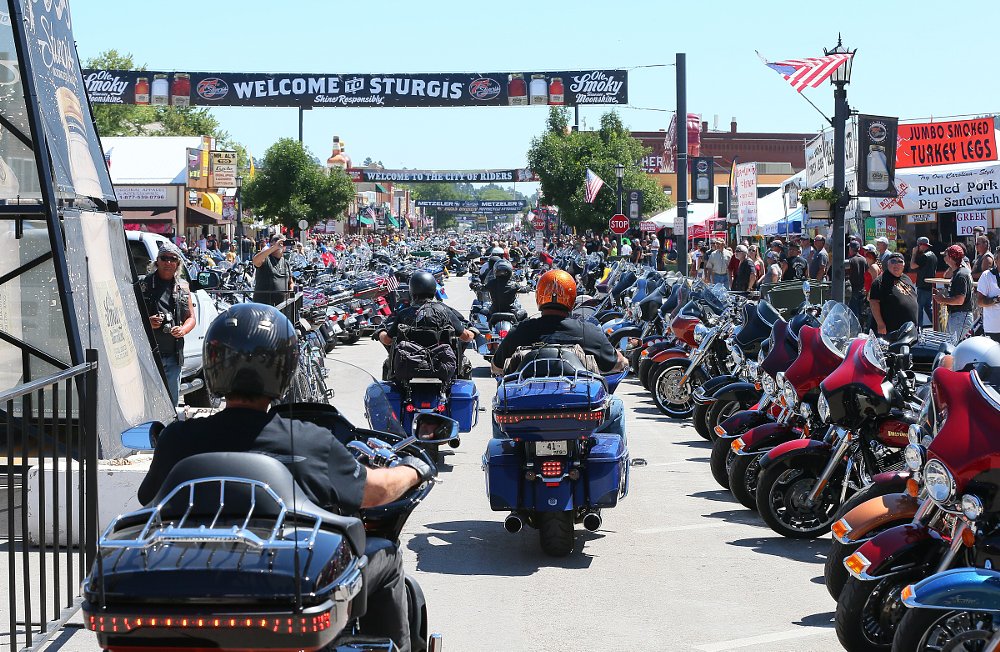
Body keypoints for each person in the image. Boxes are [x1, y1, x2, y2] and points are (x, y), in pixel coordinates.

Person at [137, 304, 430, 652]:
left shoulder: (178, 438)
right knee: (388, 555)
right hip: (289, 585)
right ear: (285, 368)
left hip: (194, 579)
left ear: (214, 364)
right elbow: (376, 491)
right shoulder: (309, 440)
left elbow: (148, 499)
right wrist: (414, 468)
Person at [489, 270, 627, 438]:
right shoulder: (587, 331)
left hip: (525, 414)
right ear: (572, 298)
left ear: (539, 297)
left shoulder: (521, 330)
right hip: (578, 413)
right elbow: (616, 364)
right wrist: (624, 359)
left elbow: (496, 366)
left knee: (499, 407)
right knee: (617, 406)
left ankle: (506, 449)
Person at [139, 243, 196, 406]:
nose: (168, 262)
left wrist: (183, 330)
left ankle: (167, 431)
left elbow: (191, 317)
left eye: (173, 259)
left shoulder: (183, 287)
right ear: (157, 261)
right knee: (148, 404)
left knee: (171, 405)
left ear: (178, 263)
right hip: (148, 355)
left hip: (173, 356)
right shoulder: (143, 284)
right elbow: (130, 315)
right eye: (164, 258)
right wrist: (148, 322)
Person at [869, 252, 918, 336]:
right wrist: (880, 324)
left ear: (903, 264)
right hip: (891, 331)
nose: (896, 264)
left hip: (909, 329)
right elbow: (874, 303)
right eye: (893, 261)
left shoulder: (906, 278)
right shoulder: (879, 281)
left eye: (900, 262)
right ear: (888, 264)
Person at [935, 244, 975, 342]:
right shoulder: (959, 272)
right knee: (952, 346)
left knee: (954, 346)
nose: (944, 258)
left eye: (945, 255)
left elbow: (960, 300)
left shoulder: (961, 274)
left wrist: (942, 300)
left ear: (950, 258)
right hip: (958, 316)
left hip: (960, 316)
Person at [252, 234, 294, 306]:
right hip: (264, 305)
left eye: (283, 244)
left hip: (281, 306)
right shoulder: (266, 259)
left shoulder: (285, 262)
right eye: (278, 243)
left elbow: (290, 282)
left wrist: (291, 290)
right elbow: (255, 261)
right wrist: (274, 247)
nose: (281, 246)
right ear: (271, 244)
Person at [909, 236, 938, 329]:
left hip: (923, 285)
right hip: (930, 285)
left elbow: (912, 266)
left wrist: (914, 254)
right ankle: (938, 325)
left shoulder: (924, 256)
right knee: (928, 308)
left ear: (921, 245)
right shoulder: (933, 255)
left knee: (919, 308)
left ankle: (918, 328)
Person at [977, 261, 1000, 343]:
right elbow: (980, 302)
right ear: (996, 260)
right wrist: (996, 299)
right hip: (993, 328)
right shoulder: (987, 275)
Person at [845, 241, 868, 320]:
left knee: (853, 313)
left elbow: (846, 274)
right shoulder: (864, 260)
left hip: (852, 289)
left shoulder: (850, 261)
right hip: (862, 289)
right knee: (860, 312)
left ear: (851, 249)